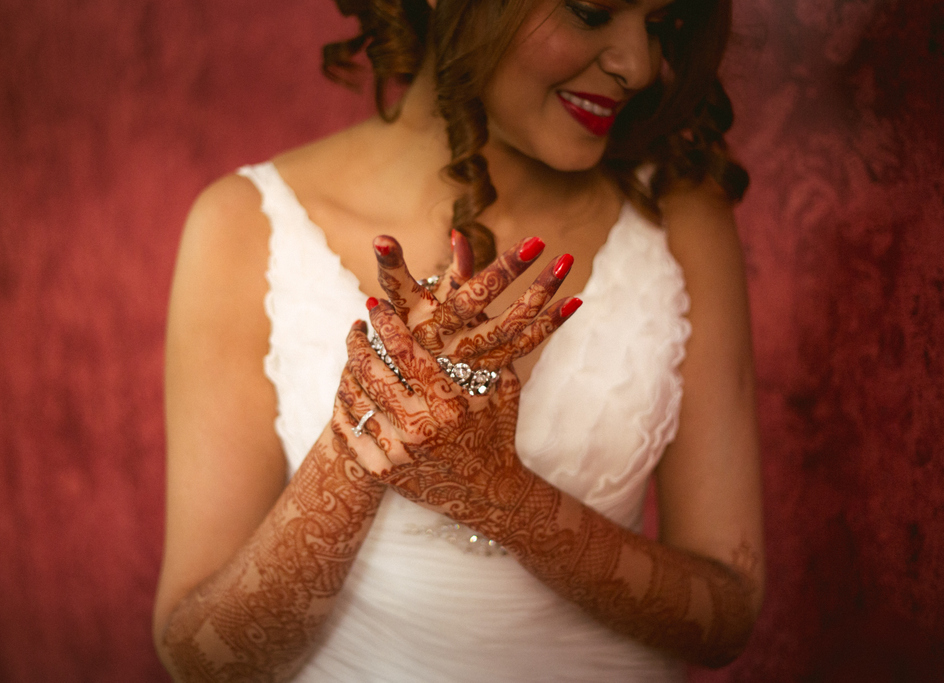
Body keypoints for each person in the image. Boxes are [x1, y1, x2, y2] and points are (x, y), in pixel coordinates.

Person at [152, 0, 765, 680]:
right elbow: (199, 660)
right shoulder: (242, 225)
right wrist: (360, 446)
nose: (639, 66)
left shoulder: (681, 218)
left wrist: (506, 498)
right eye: (593, 11)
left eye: (659, 25)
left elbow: (727, 614)